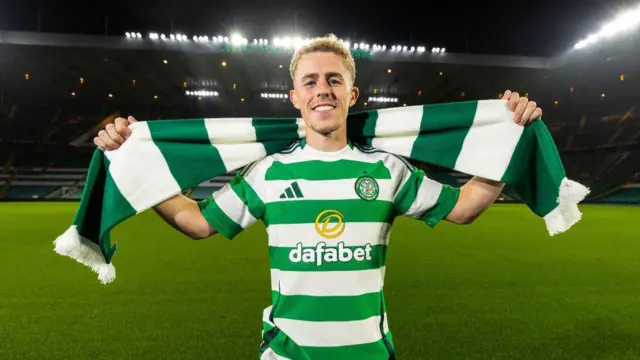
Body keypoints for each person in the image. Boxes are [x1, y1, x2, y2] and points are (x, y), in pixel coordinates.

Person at [94, 34, 542, 359]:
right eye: (310, 82)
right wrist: (137, 167)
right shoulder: (269, 172)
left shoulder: (386, 170)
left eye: (333, 79)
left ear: (352, 93)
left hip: (367, 354)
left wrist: (507, 142)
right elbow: (197, 222)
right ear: (294, 97)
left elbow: (464, 209)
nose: (322, 89)